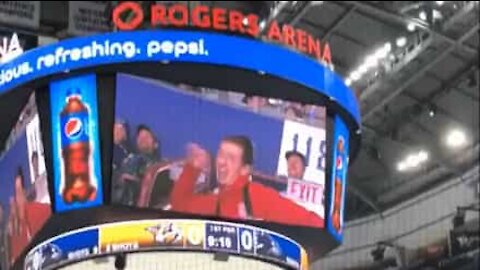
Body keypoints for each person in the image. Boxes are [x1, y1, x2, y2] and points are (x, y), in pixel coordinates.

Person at [170, 136, 324, 228]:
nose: (222, 162)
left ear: (245, 169)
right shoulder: (216, 200)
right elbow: (179, 205)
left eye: (230, 158)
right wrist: (193, 168)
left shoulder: (257, 196)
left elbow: (312, 222)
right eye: (221, 154)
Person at [9, 167, 51, 264]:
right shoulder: (14, 233)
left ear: (24, 192)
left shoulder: (40, 211)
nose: (17, 198)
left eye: (19, 191)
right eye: (15, 194)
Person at [115, 125, 161, 206]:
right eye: (140, 137)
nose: (142, 139)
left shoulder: (162, 167)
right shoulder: (130, 160)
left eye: (147, 136)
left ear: (155, 144)